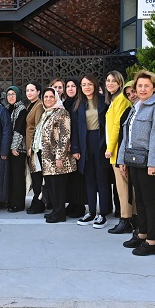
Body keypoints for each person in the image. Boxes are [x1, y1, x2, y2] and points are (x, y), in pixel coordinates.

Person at [117, 70, 155, 256]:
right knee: (139, 200)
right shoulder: (136, 106)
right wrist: (122, 159)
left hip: (149, 163)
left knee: (150, 202)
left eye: (147, 85)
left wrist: (154, 164)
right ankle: (142, 234)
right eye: (139, 85)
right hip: (133, 160)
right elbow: (126, 134)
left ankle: (152, 241)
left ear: (154, 88)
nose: (142, 88)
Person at [71, 75, 111, 228]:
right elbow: (74, 128)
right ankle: (92, 211)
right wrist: (75, 148)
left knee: (101, 178)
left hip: (100, 142)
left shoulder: (103, 101)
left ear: (95, 85)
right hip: (84, 143)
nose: (86, 87)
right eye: (83, 85)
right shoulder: (78, 104)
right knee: (89, 179)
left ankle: (103, 214)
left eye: (89, 84)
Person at [35, 88, 76, 223]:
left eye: (51, 97)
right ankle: (55, 211)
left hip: (57, 158)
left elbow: (65, 136)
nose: (48, 99)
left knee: (58, 187)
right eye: (45, 97)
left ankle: (60, 214)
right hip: (47, 158)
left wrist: (59, 156)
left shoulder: (62, 113)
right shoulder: (46, 113)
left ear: (56, 98)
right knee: (51, 186)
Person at [104, 72, 133, 233]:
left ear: (120, 83)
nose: (110, 83)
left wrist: (109, 148)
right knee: (123, 188)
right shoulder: (115, 100)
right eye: (108, 81)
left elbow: (116, 126)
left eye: (114, 81)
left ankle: (125, 219)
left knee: (123, 189)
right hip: (116, 151)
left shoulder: (121, 100)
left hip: (117, 151)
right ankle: (128, 218)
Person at [62, 77, 88, 218]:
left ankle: (79, 205)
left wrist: (76, 147)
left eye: (73, 86)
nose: (70, 89)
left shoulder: (81, 104)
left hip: (77, 146)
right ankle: (71, 203)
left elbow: (79, 127)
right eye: (68, 86)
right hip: (66, 147)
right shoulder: (64, 104)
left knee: (79, 177)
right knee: (69, 177)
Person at [25, 81, 45, 214]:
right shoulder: (31, 105)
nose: (29, 93)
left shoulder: (39, 106)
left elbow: (38, 127)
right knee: (34, 176)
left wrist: (31, 147)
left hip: (35, 148)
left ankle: (38, 203)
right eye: (27, 90)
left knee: (37, 176)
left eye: (32, 90)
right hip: (30, 147)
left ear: (38, 92)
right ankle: (37, 201)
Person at [5, 86, 26, 212]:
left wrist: (14, 147)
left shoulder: (21, 109)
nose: (11, 96)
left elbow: (19, 129)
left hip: (18, 149)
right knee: (11, 176)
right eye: (8, 94)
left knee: (18, 177)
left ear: (17, 95)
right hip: (10, 148)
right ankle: (11, 201)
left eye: (13, 94)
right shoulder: (8, 108)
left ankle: (18, 204)